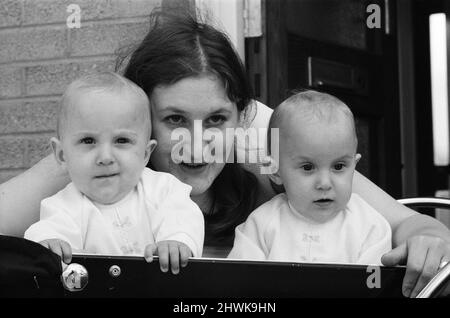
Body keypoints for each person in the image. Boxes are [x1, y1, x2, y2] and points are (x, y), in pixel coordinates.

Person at [0, 7, 449, 297]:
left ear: (242, 118)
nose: (199, 142)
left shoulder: (265, 143)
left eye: (216, 119)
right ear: (139, 126)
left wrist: (428, 238)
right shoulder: (104, 157)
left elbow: (413, 223)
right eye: (175, 119)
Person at [24, 72, 204, 275]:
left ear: (145, 153)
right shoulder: (63, 206)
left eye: (122, 141)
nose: (106, 157)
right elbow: (46, 234)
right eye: (88, 141)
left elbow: (183, 216)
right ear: (62, 154)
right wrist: (49, 246)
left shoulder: (163, 189)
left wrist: (176, 241)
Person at [228, 90, 391, 264]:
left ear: (354, 165)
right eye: (308, 167)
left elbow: (375, 286)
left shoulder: (370, 225)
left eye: (338, 166)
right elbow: (240, 282)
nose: (324, 184)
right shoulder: (260, 225)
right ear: (275, 170)